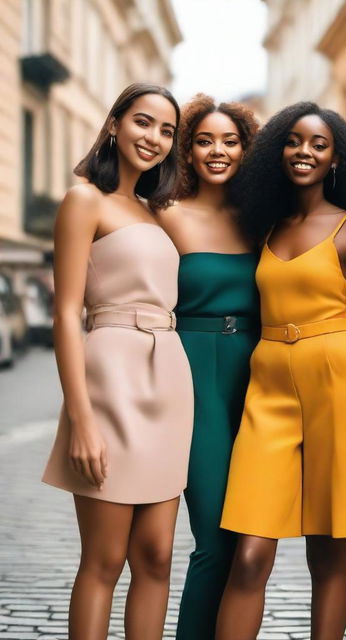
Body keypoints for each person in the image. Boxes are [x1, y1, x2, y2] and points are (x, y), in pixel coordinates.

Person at [215, 101, 346, 640]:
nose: (305, 152)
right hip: (267, 385)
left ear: (337, 158)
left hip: (340, 382)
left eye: (319, 144)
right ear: (276, 150)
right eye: (294, 141)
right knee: (248, 554)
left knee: (328, 552)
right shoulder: (261, 226)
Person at [42, 83, 193, 640]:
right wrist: (80, 420)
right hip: (111, 378)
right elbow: (64, 314)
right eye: (143, 122)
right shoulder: (84, 200)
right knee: (103, 561)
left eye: (166, 130)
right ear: (114, 125)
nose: (154, 137)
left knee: (156, 557)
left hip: (169, 380)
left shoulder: (157, 212)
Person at [158, 93, 259, 639]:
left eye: (230, 141)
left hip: (260, 381)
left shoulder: (264, 220)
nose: (217, 151)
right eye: (204, 141)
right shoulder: (166, 214)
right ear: (187, 150)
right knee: (216, 541)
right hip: (192, 377)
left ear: (247, 150)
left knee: (252, 544)